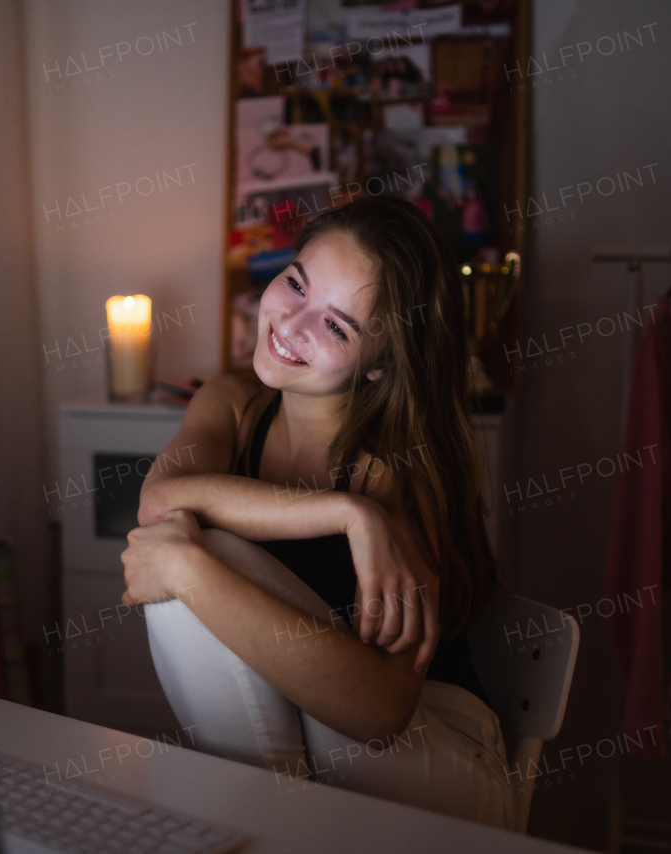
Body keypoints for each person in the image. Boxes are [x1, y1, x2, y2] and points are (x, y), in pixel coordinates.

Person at [121, 194, 513, 829]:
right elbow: (159, 500)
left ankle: (256, 828)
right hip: (309, 752)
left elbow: (380, 713)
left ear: (382, 366)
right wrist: (348, 513)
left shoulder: (399, 472)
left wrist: (191, 574)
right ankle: (264, 829)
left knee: (196, 553)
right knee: (184, 541)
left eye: (337, 326)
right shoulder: (233, 404)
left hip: (440, 755)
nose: (291, 325)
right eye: (296, 283)